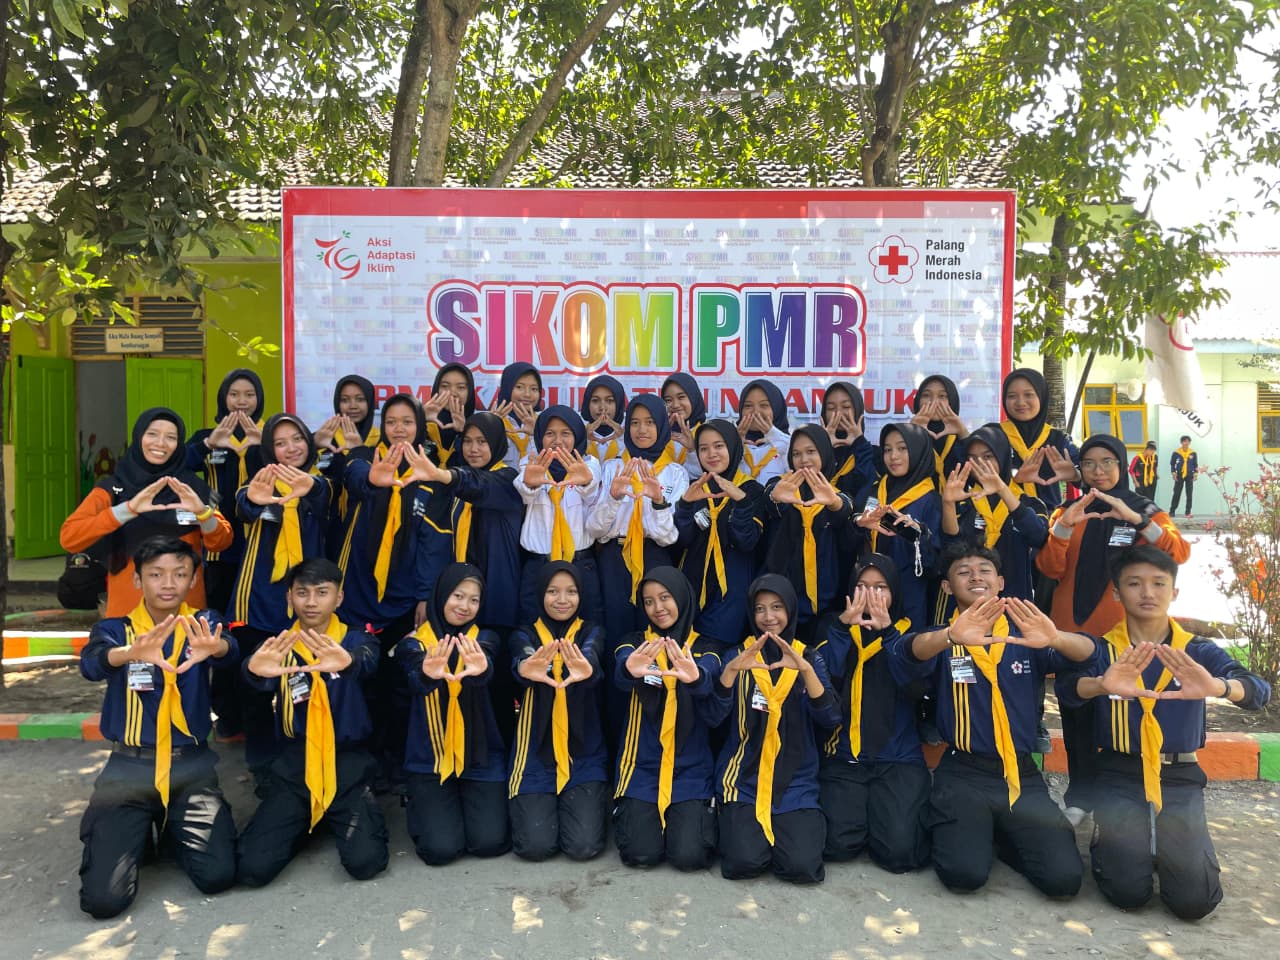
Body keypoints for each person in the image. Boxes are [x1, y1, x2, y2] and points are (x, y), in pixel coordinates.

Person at [1062, 545, 1270, 919]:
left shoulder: (1196, 651)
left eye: (1159, 583)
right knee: (1127, 892)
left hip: (1178, 774)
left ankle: (1174, 845)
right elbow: (1067, 690)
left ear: (1174, 592)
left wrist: (1220, 687)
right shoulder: (1104, 648)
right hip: (1119, 772)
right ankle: (1109, 838)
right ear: (1116, 593)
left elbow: (1258, 690)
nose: (1147, 592)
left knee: (1194, 902)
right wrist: (1100, 684)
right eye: (1134, 583)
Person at [891, 543, 1094, 897]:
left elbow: (1090, 655)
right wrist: (949, 636)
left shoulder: (1027, 636)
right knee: (963, 875)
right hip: (964, 772)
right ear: (946, 587)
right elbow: (904, 654)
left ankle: (999, 833)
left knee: (1064, 880)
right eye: (963, 572)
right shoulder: (942, 639)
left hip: (1021, 773)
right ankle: (975, 829)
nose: (975, 577)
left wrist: (1057, 638)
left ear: (1000, 582)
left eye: (984, 570)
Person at [77, 537, 238, 918]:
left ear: (192, 580)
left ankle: (169, 827)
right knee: (104, 902)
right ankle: (135, 830)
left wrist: (217, 648)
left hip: (191, 766)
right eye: (156, 574)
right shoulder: (116, 629)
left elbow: (229, 648)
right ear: (138, 580)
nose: (168, 583)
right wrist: (128, 654)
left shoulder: (203, 623)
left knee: (217, 876)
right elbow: (91, 664)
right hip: (128, 769)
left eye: (180, 574)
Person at [1037, 434, 1191, 818]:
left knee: (1124, 718)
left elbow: (1178, 552)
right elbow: (1050, 568)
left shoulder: (1144, 510)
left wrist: (1137, 521)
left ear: (1122, 466)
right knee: (1077, 717)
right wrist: (1064, 527)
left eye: (1107, 462)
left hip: (1124, 636)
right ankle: (1080, 797)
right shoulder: (1068, 511)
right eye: (1089, 463)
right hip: (1073, 633)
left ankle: (1125, 797)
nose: (1098, 471)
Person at [236, 559, 387, 885]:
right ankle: (306, 819)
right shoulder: (278, 646)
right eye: (302, 593)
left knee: (366, 863)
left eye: (322, 592)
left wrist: (348, 662)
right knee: (252, 869)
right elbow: (256, 672)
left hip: (346, 762)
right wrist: (252, 671)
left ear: (339, 598)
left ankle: (333, 815)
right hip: (296, 764)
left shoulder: (355, 639)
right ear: (289, 597)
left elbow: (368, 660)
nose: (311, 602)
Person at [712, 574, 840, 884]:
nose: (768, 617)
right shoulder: (738, 656)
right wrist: (729, 674)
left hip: (795, 780)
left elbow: (831, 718)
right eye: (760, 609)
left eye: (777, 607)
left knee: (802, 867)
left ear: (791, 610)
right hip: (744, 777)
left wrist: (806, 672)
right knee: (743, 863)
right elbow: (713, 717)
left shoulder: (807, 657)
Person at [229, 413, 333, 775]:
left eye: (297, 439)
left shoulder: (322, 482)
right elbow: (243, 504)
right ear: (269, 449)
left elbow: (322, 496)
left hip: (306, 600)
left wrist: (308, 487)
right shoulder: (258, 481)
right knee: (256, 685)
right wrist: (258, 499)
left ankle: (301, 760)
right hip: (258, 598)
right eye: (280, 442)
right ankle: (262, 765)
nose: (291, 448)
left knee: (304, 680)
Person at [816, 555, 930, 872]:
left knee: (899, 854)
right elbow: (825, 680)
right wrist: (842, 629)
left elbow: (916, 687)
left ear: (895, 591)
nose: (871, 595)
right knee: (836, 846)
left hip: (897, 757)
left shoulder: (908, 633)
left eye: (881, 587)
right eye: (862, 586)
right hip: (844, 755)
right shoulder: (833, 626)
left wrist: (888, 633)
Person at [61, 408, 232, 618]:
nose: (160, 443)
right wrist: (127, 510)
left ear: (179, 444)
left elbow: (221, 542)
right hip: (128, 613)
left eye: (171, 437)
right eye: (152, 434)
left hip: (185, 614)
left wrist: (202, 513)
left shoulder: (191, 488)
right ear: (138, 436)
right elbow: (70, 538)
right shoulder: (113, 489)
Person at [398, 563, 511, 865]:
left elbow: (484, 665)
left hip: (481, 753)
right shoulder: (413, 643)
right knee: (441, 850)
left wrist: (479, 669)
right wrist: (427, 674)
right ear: (441, 595)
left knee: (489, 843)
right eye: (458, 596)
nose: (465, 606)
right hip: (430, 758)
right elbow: (414, 679)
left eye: (474, 600)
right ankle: (421, 803)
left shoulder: (485, 637)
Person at [612, 567, 723, 870]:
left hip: (690, 768)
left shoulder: (706, 647)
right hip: (641, 766)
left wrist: (696, 678)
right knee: (640, 854)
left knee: (690, 857)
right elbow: (622, 666)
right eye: (648, 602)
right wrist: (629, 669)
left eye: (665, 597)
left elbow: (710, 674)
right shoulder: (635, 642)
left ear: (682, 597)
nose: (657, 608)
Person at [507, 562, 610, 861]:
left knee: (583, 847)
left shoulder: (592, 631)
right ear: (540, 594)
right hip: (534, 753)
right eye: (553, 591)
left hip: (584, 752)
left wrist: (586, 667)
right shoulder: (524, 634)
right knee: (535, 847)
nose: (562, 600)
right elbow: (522, 656)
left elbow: (591, 653)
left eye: (571, 592)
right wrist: (525, 667)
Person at [589, 394, 689, 644]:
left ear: (662, 426)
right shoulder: (612, 468)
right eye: (634, 422)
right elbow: (596, 530)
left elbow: (668, 538)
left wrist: (658, 502)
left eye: (650, 422)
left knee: (653, 629)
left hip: (654, 556)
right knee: (615, 628)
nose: (641, 429)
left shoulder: (676, 473)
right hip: (614, 558)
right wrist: (613, 498)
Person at [674, 419, 766, 647]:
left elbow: (747, 541)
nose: (711, 454)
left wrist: (741, 504)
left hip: (732, 587)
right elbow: (682, 540)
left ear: (733, 447)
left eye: (719, 446)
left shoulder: (752, 489)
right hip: (692, 584)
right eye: (703, 448)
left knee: (719, 650)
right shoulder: (695, 487)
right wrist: (684, 506)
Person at [940, 424, 1049, 607]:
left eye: (988, 457)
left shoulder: (1028, 503)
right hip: (965, 601)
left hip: (1014, 600)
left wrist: (1002, 490)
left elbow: (1038, 537)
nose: (980, 463)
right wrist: (948, 504)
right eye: (972, 458)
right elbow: (950, 547)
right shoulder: (962, 499)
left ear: (1003, 456)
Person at [185, 368, 267, 612]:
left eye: (249, 394)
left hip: (261, 534)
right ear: (223, 397)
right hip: (217, 538)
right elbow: (178, 466)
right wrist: (208, 444)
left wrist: (266, 446)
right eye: (234, 394)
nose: (242, 401)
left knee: (254, 607)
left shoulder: (271, 436)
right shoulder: (207, 436)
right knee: (217, 606)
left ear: (259, 398)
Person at [513, 405, 603, 624]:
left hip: (580, 563)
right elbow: (524, 492)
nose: (557, 441)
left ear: (577, 435)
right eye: (550, 434)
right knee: (533, 627)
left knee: (586, 627)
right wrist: (530, 484)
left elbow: (591, 491)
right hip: (539, 564)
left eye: (566, 433)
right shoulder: (530, 462)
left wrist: (585, 481)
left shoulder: (589, 463)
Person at [763, 425, 854, 634]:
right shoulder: (782, 486)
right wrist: (775, 498)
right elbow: (770, 498)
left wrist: (834, 503)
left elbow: (845, 508)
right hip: (783, 601)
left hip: (828, 602)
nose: (803, 459)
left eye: (811, 451)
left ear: (824, 452)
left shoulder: (835, 493)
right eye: (796, 454)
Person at [853, 422, 941, 629]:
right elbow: (851, 534)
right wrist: (859, 523)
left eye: (902, 448)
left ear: (918, 451)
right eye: (887, 449)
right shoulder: (875, 490)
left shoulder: (930, 499)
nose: (893, 456)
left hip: (909, 592)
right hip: (869, 589)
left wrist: (918, 534)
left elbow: (935, 562)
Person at [314, 373, 380, 558]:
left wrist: (359, 450)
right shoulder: (324, 437)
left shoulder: (381, 440)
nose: (352, 406)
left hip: (367, 522)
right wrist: (313, 445)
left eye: (360, 399)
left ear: (370, 402)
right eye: (345, 400)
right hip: (328, 522)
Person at [999, 368, 1081, 511]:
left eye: (1028, 395)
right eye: (1012, 396)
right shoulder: (994, 435)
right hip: (1001, 519)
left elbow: (1091, 476)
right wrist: (1015, 479)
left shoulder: (1058, 439)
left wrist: (1076, 475)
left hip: (1048, 519)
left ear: (1042, 397)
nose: (1020, 402)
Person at [819, 380, 878, 497]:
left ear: (857, 409)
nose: (838, 413)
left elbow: (869, 488)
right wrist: (824, 447)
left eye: (846, 406)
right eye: (831, 408)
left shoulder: (875, 454)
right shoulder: (812, 451)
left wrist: (859, 443)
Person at [910, 374, 968, 485]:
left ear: (952, 401)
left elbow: (977, 477)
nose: (934, 402)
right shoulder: (903, 435)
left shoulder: (961, 438)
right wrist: (911, 433)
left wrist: (963, 434)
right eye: (926, 395)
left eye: (942, 396)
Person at [736, 379, 791, 484]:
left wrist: (774, 436)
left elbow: (797, 468)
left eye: (764, 405)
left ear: (777, 408)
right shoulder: (729, 444)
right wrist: (734, 444)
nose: (756, 412)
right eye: (748, 406)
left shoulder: (787, 444)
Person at [491, 362, 544, 469]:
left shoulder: (545, 423)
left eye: (534, 389)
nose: (527, 394)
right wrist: (490, 431)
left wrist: (537, 434)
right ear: (507, 388)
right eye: (519, 387)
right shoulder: (490, 421)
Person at [423, 362, 476, 468]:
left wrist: (463, 433)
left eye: (461, 387)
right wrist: (420, 421)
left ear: (469, 392)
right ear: (436, 389)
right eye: (445, 386)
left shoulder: (478, 426)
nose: (452, 393)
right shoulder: (423, 422)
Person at [662, 372, 707, 480]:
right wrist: (660, 439)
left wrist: (692, 449)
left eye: (681, 397)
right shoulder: (657, 433)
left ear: (693, 398)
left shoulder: (707, 433)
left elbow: (708, 474)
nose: (675, 405)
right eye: (668, 400)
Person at [580, 373, 627, 464]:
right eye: (595, 400)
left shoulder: (631, 437)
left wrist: (622, 440)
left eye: (609, 400)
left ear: (619, 404)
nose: (602, 407)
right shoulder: (575, 436)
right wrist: (583, 441)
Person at [1169, 435, 1198, 518]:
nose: (1186, 443)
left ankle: (1188, 512)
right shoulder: (1176, 453)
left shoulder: (1193, 453)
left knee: (1189, 494)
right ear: (1181, 442)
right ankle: (1172, 511)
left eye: (1188, 441)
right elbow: (1172, 464)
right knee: (1176, 493)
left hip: (1189, 475)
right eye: (1185, 441)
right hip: (1179, 474)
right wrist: (1173, 472)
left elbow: (1195, 464)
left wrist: (1196, 473)